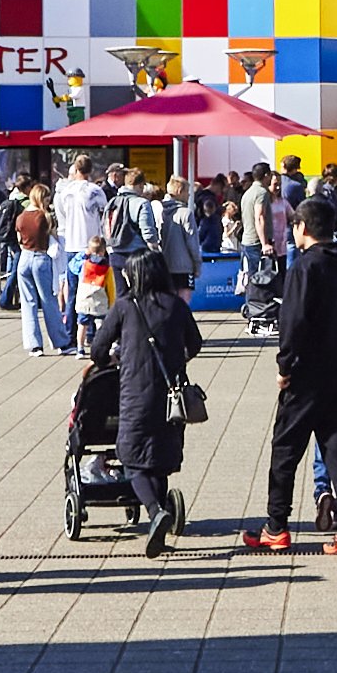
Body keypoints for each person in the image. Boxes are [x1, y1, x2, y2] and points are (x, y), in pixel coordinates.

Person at [248, 196, 337, 556]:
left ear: (303, 227)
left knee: (285, 450)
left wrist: (285, 366)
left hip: (306, 375)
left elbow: (293, 321)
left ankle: (276, 527)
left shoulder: (304, 267)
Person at [102, 237, 206, 556]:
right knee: (161, 455)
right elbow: (196, 343)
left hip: (135, 391)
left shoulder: (124, 307)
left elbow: (96, 350)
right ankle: (159, 515)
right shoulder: (176, 305)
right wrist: (176, 359)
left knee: (131, 457)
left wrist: (118, 359)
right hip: (171, 391)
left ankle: (154, 512)